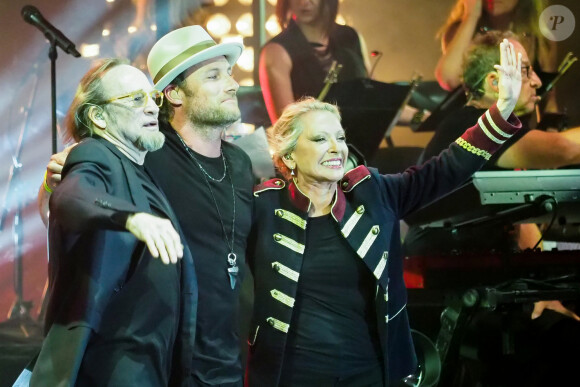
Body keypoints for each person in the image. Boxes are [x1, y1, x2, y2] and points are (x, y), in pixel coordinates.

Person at [245, 39, 522, 386]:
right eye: (319, 140)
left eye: (340, 138)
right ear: (288, 157)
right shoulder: (261, 207)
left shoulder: (373, 193)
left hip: (370, 374)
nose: (336, 148)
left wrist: (501, 111)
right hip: (292, 376)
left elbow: (446, 170)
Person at [39, 26, 254, 386]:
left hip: (222, 360)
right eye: (214, 75)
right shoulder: (141, 151)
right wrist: (55, 184)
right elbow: (70, 194)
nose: (232, 84)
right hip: (154, 360)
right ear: (174, 94)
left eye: (229, 73)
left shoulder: (242, 164)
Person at [30, 59, 196, 386]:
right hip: (111, 366)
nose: (151, 107)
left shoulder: (139, 168)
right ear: (99, 117)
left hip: (147, 364)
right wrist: (130, 218)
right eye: (136, 99)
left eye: (152, 97)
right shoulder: (95, 153)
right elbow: (73, 196)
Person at [404, 31, 580, 256]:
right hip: (445, 277)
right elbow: (564, 150)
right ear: (495, 82)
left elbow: (519, 224)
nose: (537, 81)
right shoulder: (472, 125)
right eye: (525, 71)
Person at [259, 0, 420, 126]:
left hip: (362, 147)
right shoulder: (276, 51)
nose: (304, 2)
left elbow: (376, 100)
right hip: (317, 154)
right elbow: (285, 126)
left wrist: (423, 117)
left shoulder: (350, 37)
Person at [435, 0, 557, 111]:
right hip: (472, 126)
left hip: (515, 128)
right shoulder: (462, 31)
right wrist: (471, 16)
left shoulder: (539, 36)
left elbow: (547, 98)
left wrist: (551, 126)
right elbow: (450, 79)